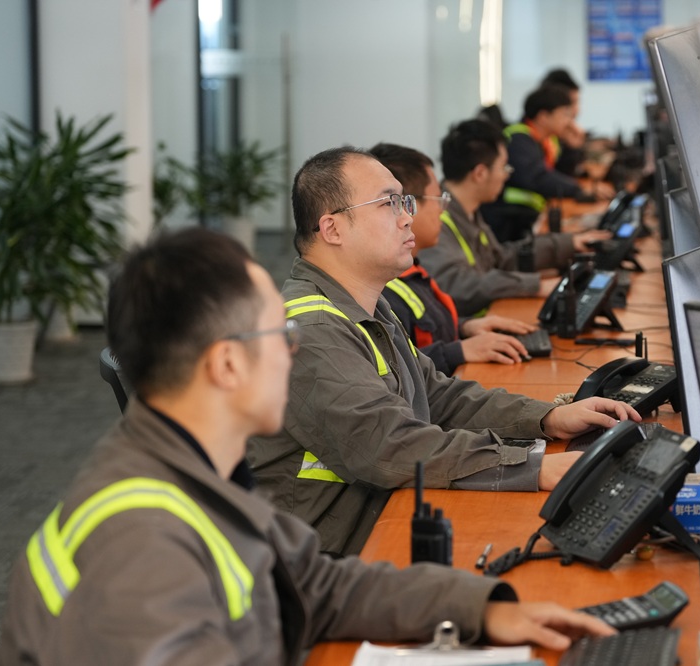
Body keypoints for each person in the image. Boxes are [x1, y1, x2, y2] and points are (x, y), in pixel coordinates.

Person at [0, 228, 615, 665]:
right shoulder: (139, 544)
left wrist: (485, 609)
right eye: (279, 334)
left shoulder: (198, 472)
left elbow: (317, 586)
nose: (294, 351)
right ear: (227, 365)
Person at [247, 147, 641, 556]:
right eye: (387, 203)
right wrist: (533, 467)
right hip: (324, 560)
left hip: (374, 523)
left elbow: (437, 396)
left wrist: (548, 418)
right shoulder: (312, 331)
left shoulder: (361, 305)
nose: (407, 217)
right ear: (332, 229)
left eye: (405, 201)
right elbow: (389, 446)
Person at [369, 142, 535, 374]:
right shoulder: (379, 290)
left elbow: (423, 333)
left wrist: (464, 327)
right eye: (438, 199)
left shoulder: (409, 271)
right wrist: (457, 351)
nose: (442, 211)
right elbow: (396, 371)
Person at [419, 119, 608, 317]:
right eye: (504, 167)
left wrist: (568, 244)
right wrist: (535, 286)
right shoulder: (437, 220)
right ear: (480, 173)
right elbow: (458, 285)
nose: (506, 175)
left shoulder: (467, 211)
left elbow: (501, 259)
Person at [481, 84, 616, 243]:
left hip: (525, 219)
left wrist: (572, 148)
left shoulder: (542, 141)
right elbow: (538, 178)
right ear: (544, 116)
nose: (570, 122)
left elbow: (559, 174)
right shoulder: (519, 140)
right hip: (509, 226)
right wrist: (580, 189)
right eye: (565, 115)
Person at [540, 68, 586, 177]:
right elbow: (544, 179)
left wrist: (572, 148)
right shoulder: (527, 140)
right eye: (571, 104)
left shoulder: (554, 137)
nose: (577, 111)